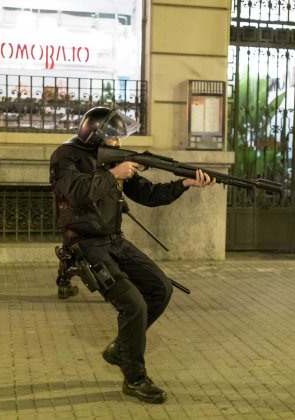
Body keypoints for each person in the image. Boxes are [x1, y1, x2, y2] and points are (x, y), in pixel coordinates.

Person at [49, 107, 216, 404]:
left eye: (118, 138)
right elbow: (77, 192)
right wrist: (113, 174)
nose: (118, 143)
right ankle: (135, 378)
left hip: (115, 241)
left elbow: (149, 195)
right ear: (95, 136)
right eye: (112, 138)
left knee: (160, 288)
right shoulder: (65, 156)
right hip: (86, 245)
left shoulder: (115, 160)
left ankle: (122, 349)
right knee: (134, 305)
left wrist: (185, 183)